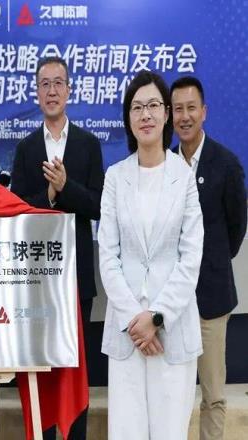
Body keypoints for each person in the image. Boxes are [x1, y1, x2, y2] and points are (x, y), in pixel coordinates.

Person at [98, 70, 204, 440]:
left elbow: (190, 257)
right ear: (128, 118)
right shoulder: (115, 177)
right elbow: (108, 257)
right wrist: (136, 320)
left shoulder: (184, 176)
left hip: (171, 331)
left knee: (170, 433)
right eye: (137, 107)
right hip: (128, 334)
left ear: (166, 114)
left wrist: (157, 317)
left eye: (154, 105)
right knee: (126, 432)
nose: (146, 114)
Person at [11, 56, 104, 439]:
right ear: (37, 92)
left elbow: (98, 205)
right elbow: (17, 211)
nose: (52, 91)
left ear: (69, 90)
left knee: (74, 372)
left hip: (77, 278)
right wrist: (49, 197)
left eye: (58, 83)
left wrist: (66, 188)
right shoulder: (26, 148)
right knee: (43, 373)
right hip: (36, 280)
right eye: (45, 84)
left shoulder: (88, 144)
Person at [171, 76, 247, 440]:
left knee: (213, 394)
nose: (184, 116)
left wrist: (211, 262)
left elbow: (235, 230)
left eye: (191, 108)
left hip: (211, 299)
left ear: (204, 112)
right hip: (169, 302)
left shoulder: (226, 164)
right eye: (178, 109)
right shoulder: (162, 163)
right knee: (172, 393)